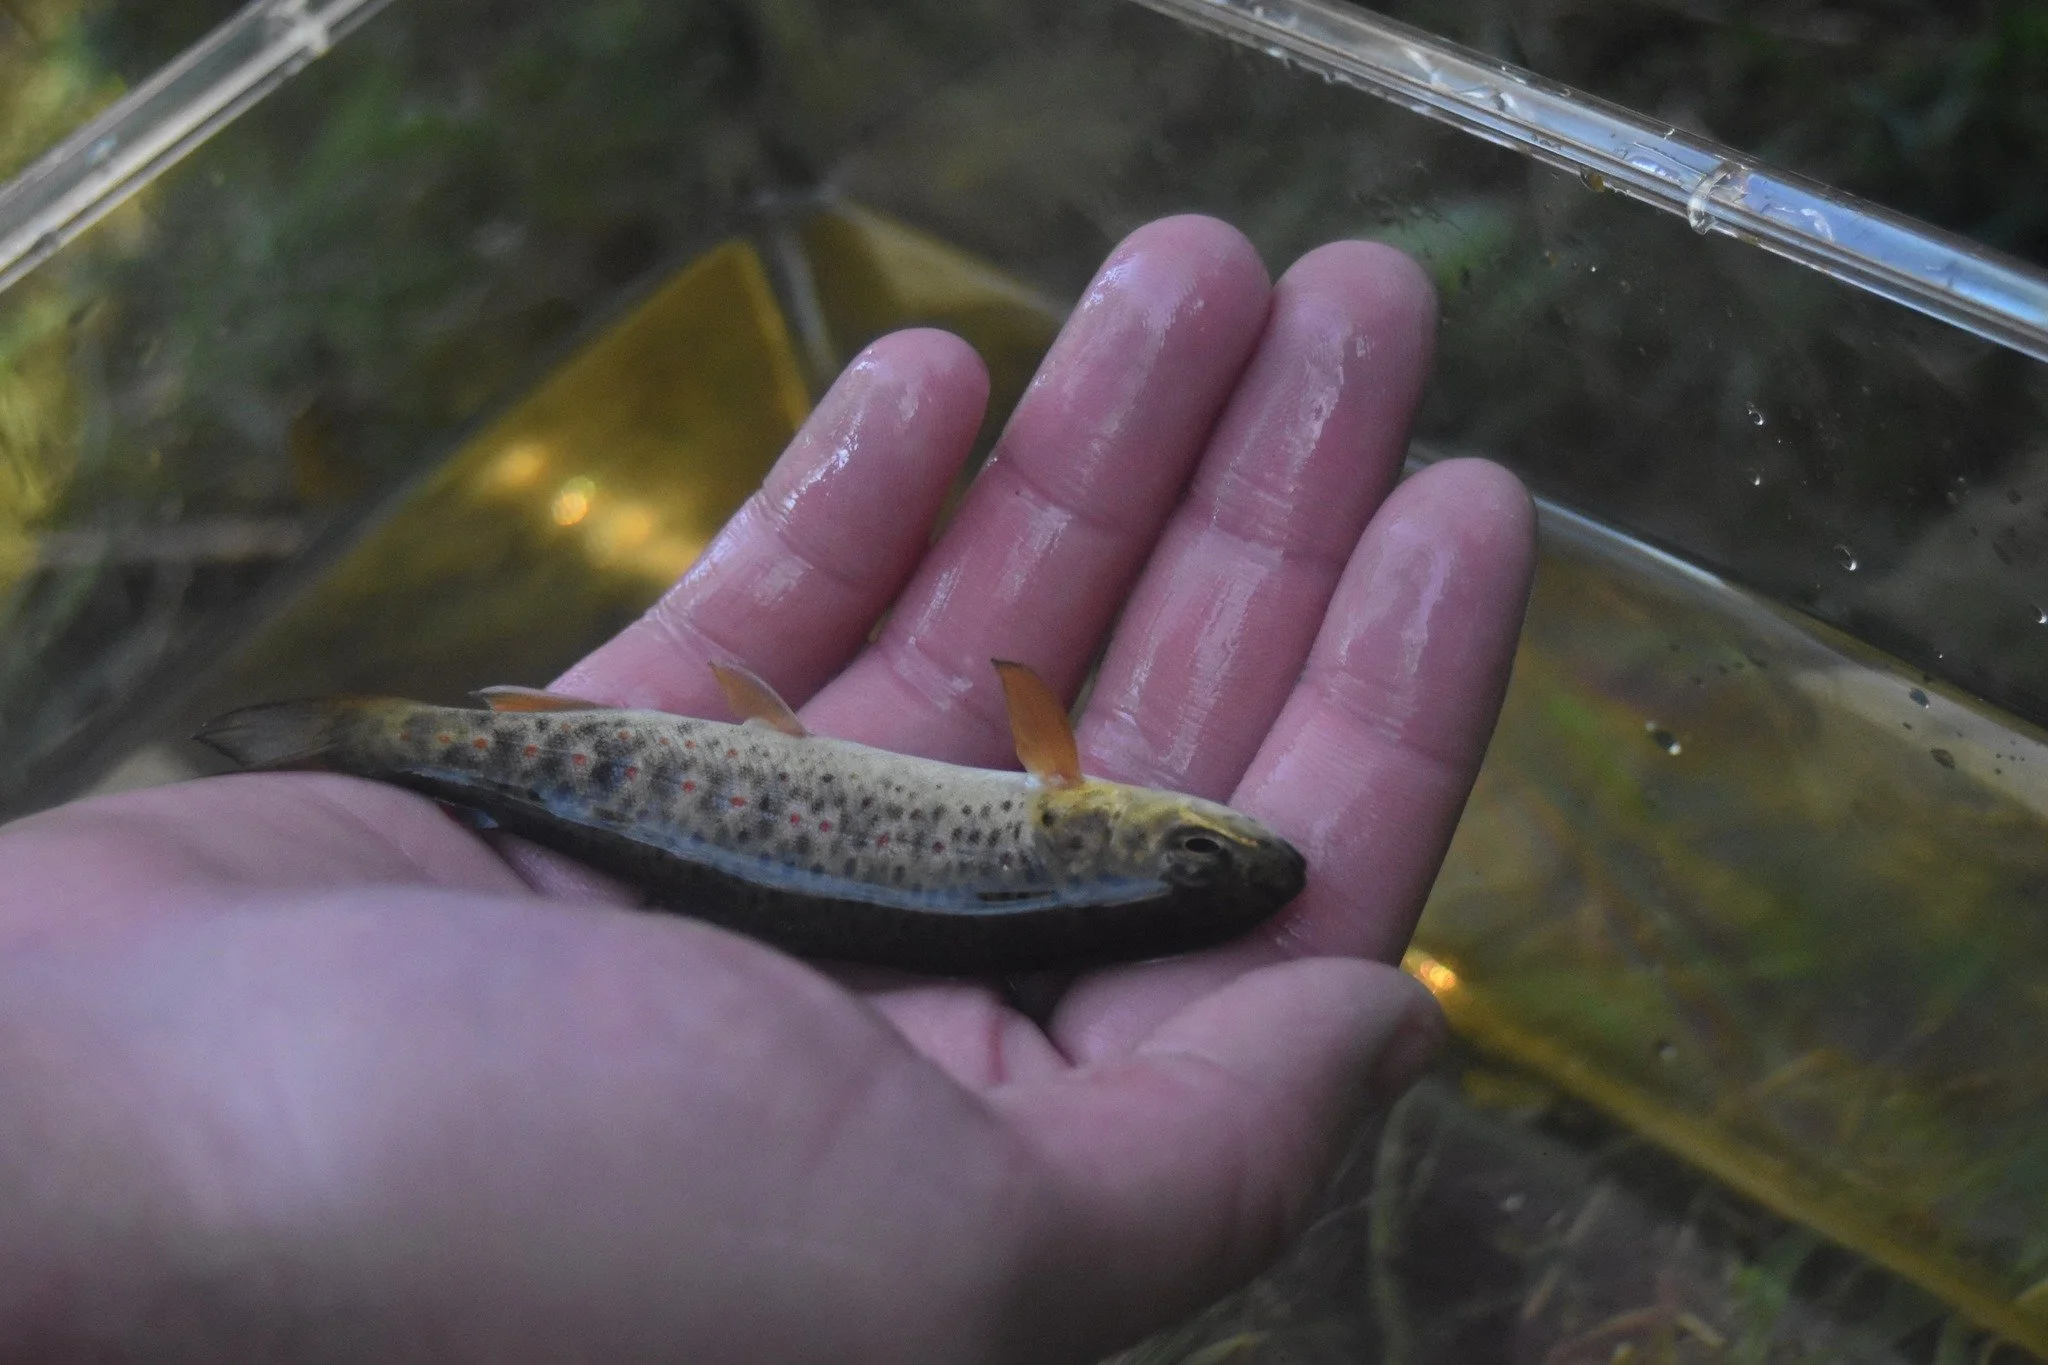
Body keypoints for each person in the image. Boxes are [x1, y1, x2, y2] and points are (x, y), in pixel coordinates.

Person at [0, 216, 1534, 1362]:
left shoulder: (1063, 818)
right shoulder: (1067, 857)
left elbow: (1018, 697)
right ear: (1095, 826)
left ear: (1103, 826)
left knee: (486, 745)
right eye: (1196, 856)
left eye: (1201, 857)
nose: (1216, 844)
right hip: (646, 806)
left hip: (628, 795)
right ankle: (385, 741)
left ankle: (383, 741)